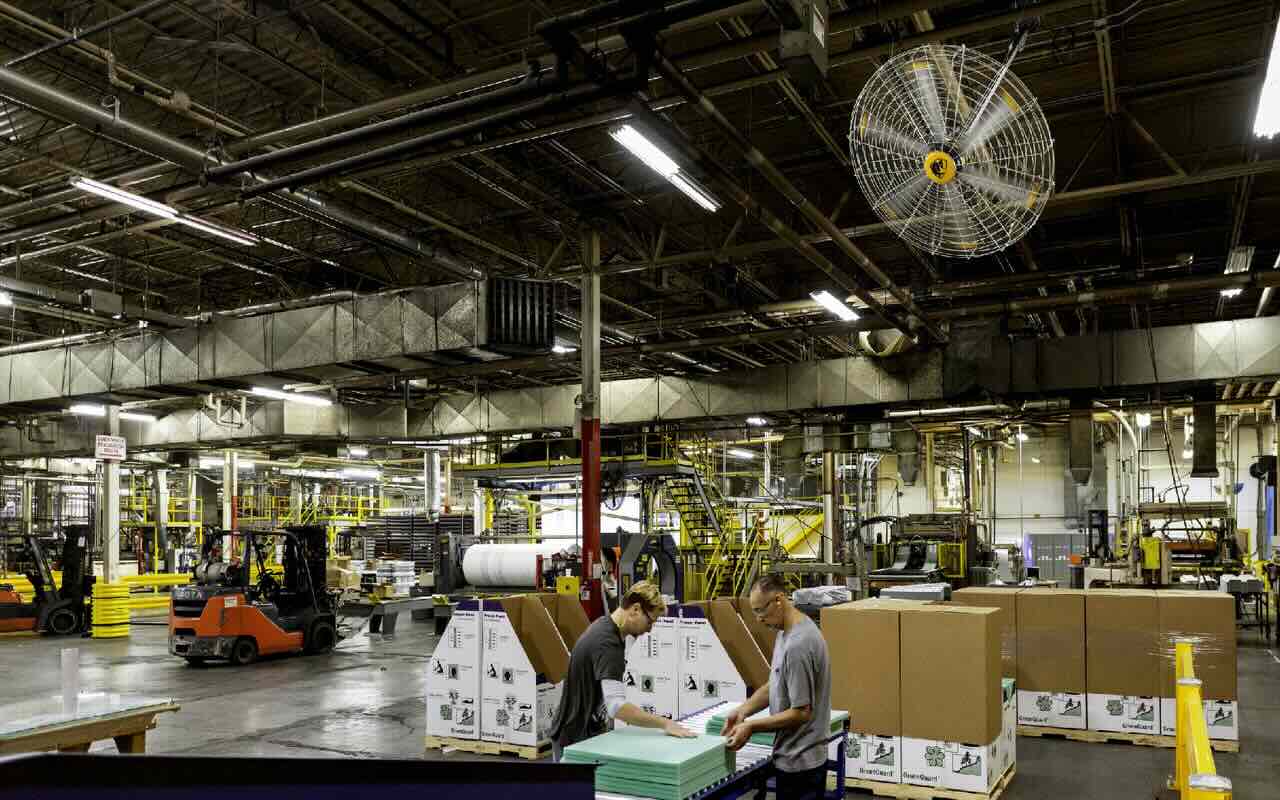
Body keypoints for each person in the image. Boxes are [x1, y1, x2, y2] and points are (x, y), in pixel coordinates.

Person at [549, 580, 695, 760]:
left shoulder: (606, 627)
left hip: (585, 733)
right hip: (574, 739)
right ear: (635, 609)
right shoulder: (607, 644)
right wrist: (665, 723)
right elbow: (616, 706)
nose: (650, 630)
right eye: (650, 621)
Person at [722, 575, 832, 800]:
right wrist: (743, 711)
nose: (759, 619)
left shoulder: (799, 644)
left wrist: (751, 727)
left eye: (761, 611)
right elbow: (777, 681)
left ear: (779, 600)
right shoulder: (787, 631)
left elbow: (801, 712)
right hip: (793, 758)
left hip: (802, 766)